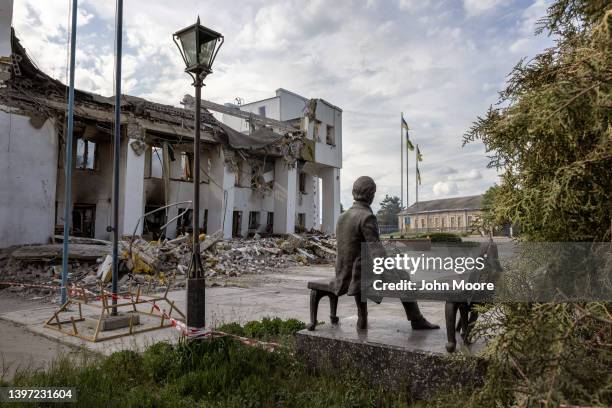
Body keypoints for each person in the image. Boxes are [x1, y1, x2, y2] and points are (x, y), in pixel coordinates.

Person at [331, 176, 439, 330]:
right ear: (371, 195)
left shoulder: (342, 217)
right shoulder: (367, 217)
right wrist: (392, 271)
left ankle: (362, 318)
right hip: (359, 275)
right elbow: (378, 253)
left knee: (397, 274)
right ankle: (416, 320)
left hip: (342, 271)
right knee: (404, 276)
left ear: (354, 193)